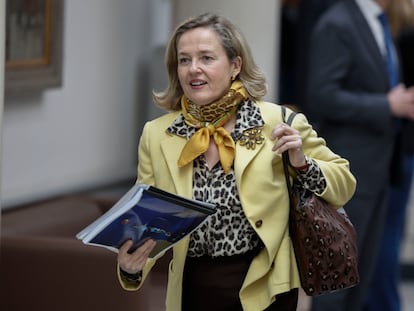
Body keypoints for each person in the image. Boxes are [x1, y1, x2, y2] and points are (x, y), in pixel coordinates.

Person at [116, 13, 356, 311]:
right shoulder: (157, 134)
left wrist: (302, 163)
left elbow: (344, 185)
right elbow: (149, 219)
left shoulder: (278, 121)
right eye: (184, 60)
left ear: (235, 65)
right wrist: (131, 267)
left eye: (206, 57)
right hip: (194, 288)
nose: (194, 69)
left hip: (265, 285)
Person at [304, 1, 414, 311]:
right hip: (348, 173)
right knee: (336, 282)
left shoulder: (378, 22)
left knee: (360, 282)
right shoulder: (337, 23)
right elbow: (321, 95)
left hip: (378, 171)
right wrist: (386, 106)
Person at [364, 0, 414, 310]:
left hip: (394, 148)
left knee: (382, 236)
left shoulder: (399, 37)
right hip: (400, 149)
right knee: (386, 235)